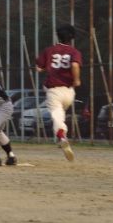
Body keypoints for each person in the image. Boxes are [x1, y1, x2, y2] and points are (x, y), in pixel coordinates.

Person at [36, 23, 83, 162]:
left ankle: (61, 136)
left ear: (58, 36)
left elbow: (39, 68)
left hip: (54, 90)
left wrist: (47, 68)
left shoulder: (49, 50)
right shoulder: (74, 52)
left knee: (57, 116)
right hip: (69, 92)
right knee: (60, 115)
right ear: (72, 37)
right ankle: (61, 136)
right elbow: (74, 64)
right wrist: (77, 79)